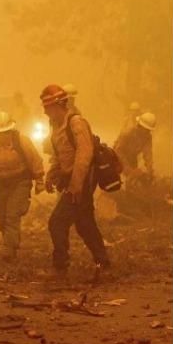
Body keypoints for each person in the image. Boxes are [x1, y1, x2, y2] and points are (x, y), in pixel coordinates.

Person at [41, 83, 109, 277]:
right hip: (71, 178)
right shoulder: (55, 125)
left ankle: (60, 266)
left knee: (57, 222)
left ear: (57, 106)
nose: (45, 112)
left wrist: (76, 185)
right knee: (85, 223)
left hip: (83, 179)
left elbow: (84, 156)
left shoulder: (76, 122)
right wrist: (51, 174)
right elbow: (59, 154)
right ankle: (103, 261)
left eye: (47, 108)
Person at [0, 111, 45, 262]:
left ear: (11, 130)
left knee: (12, 215)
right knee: (2, 217)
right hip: (0, 185)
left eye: (5, 132)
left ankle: (9, 250)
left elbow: (35, 160)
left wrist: (39, 181)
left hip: (20, 183)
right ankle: (12, 241)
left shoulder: (22, 142)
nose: (2, 135)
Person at [115, 110, 156, 178]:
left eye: (149, 130)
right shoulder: (127, 133)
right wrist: (127, 169)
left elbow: (148, 153)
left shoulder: (148, 137)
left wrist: (150, 169)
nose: (147, 132)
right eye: (146, 129)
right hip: (118, 157)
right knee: (118, 179)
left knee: (134, 179)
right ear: (140, 126)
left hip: (132, 157)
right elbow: (118, 151)